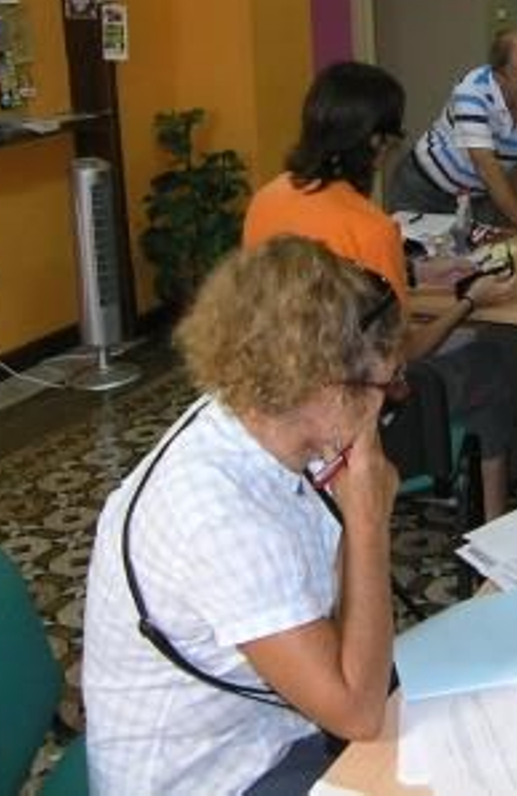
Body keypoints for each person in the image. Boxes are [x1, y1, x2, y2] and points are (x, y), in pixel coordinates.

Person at [83, 236, 402, 794]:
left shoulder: (267, 418)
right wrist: (369, 523)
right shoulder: (219, 516)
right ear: (328, 389)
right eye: (385, 384)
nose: (388, 400)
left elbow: (335, 612)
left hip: (270, 728)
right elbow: (356, 712)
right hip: (214, 778)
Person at [244, 61, 516, 521]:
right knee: (488, 361)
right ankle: (494, 525)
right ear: (374, 143)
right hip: (348, 411)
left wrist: (412, 272)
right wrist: (471, 301)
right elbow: (403, 352)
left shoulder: (266, 200)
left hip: (277, 396)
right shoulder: (370, 228)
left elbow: (321, 283)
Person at [387, 27, 517, 238]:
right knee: (413, 255)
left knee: (488, 253)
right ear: (499, 77)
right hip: (425, 189)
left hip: (477, 197)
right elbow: (485, 166)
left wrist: (512, 223)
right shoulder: (472, 91)